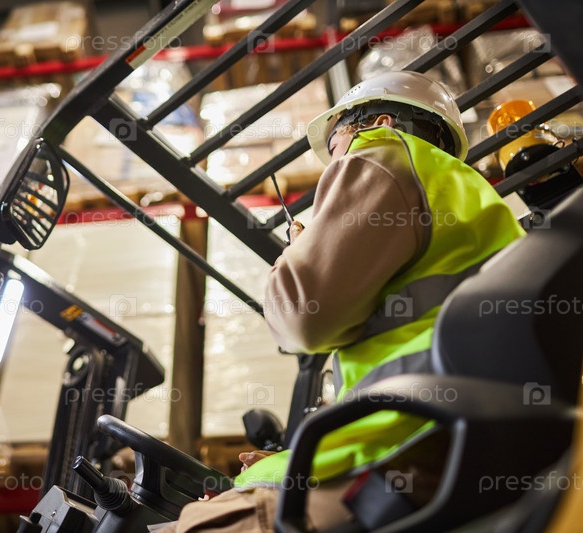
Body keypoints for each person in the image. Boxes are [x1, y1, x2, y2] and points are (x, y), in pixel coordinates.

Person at [156, 71, 525, 532]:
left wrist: (295, 257)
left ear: (379, 122)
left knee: (192, 523)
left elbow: (302, 320)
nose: (335, 162)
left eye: (335, 145)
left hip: (406, 451)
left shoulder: (381, 151)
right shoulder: (474, 198)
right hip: (454, 442)